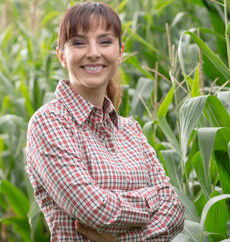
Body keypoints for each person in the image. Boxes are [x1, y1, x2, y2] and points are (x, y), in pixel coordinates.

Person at [25, 2, 184, 241]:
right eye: (78, 42)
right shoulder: (48, 123)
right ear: (61, 55)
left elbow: (176, 211)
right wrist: (154, 198)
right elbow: (94, 210)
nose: (93, 52)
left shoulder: (131, 131)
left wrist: (122, 240)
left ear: (120, 53)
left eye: (105, 41)